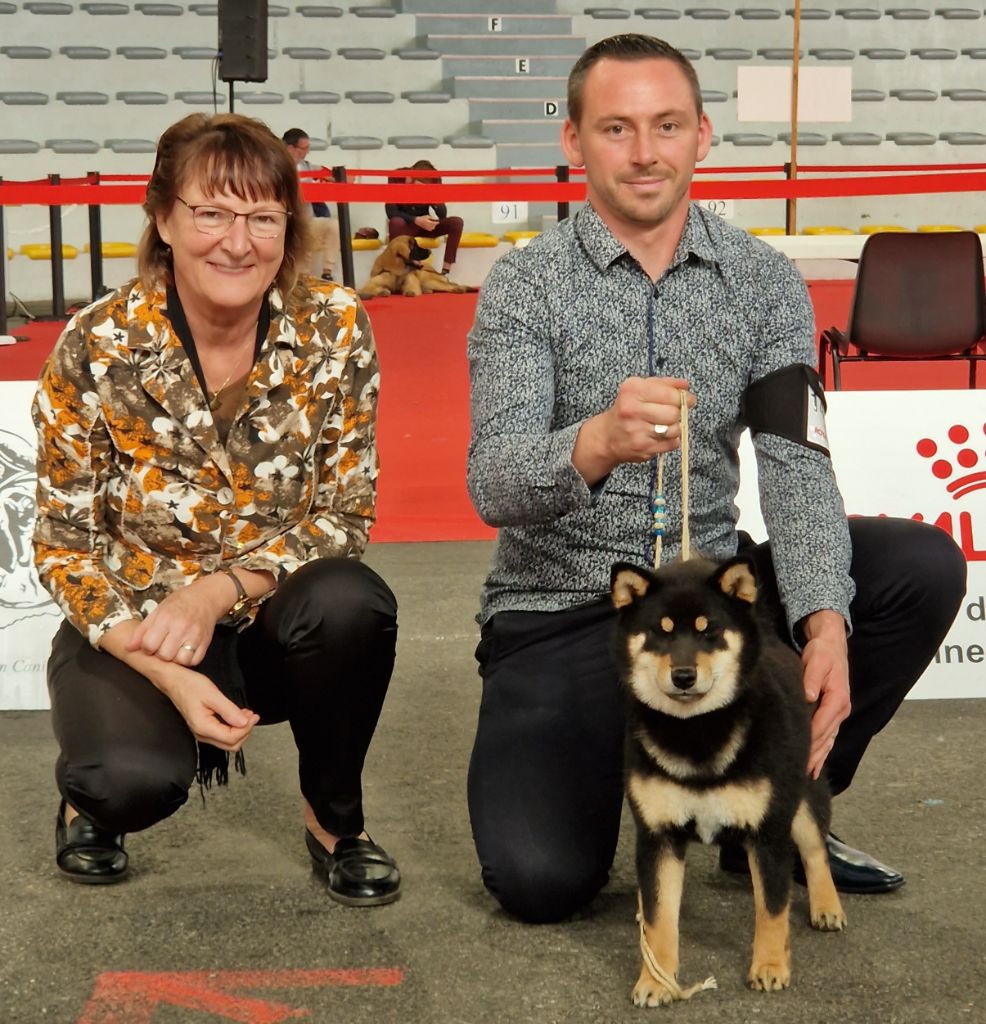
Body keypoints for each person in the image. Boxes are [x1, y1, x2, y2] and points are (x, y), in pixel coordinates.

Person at [465, 34, 967, 924]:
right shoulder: (522, 287)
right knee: (540, 882)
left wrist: (824, 620)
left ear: (703, 134)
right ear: (575, 143)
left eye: (666, 126)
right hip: (561, 614)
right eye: (616, 128)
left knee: (914, 566)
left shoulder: (767, 284)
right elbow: (495, 486)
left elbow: (796, 466)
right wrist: (595, 443)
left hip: (718, 599)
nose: (645, 152)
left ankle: (768, 812)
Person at [33, 112, 401, 907]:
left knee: (351, 602)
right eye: (212, 213)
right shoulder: (95, 344)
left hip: (272, 621)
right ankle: (87, 796)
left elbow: (346, 513)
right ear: (163, 218)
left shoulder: (336, 327)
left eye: (263, 217)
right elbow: (62, 545)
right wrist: (163, 667)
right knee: (127, 782)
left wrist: (219, 590)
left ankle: (336, 822)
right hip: (135, 627)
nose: (239, 241)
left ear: (288, 229)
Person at [385, 159, 463, 277]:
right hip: (406, 224)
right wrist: (416, 220)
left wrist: (432, 195)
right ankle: (397, 269)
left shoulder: (435, 179)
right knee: (396, 222)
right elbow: (391, 212)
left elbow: (442, 214)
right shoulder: (396, 176)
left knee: (456, 222)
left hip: (426, 224)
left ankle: (445, 271)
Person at [282, 127, 340, 282]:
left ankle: (327, 272)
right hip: (286, 220)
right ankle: (302, 278)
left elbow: (327, 173)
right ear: (290, 148)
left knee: (333, 225)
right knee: (299, 232)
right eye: (304, 148)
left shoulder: (307, 165)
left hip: (308, 219)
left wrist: (336, 178)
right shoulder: (277, 167)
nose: (306, 152)